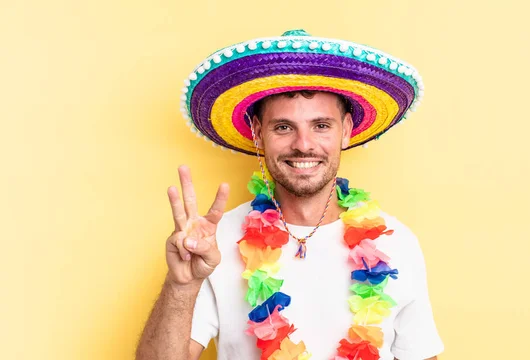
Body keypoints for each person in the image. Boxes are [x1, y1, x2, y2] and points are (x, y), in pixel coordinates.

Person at [136, 30, 443, 360]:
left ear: (348, 130)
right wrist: (181, 286)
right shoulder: (217, 242)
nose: (303, 144)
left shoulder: (396, 243)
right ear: (257, 132)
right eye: (283, 127)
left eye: (321, 125)